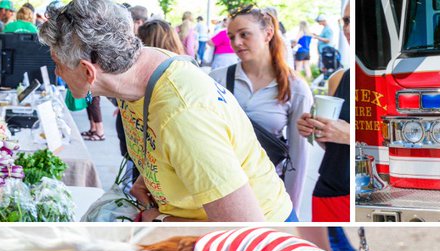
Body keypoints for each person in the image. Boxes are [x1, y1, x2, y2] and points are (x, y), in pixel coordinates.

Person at [40, 0, 294, 221]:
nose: (57, 73)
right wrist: (148, 180)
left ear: (88, 71)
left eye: (57, 63)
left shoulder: (183, 116)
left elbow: (245, 228)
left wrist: (160, 219)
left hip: (256, 240)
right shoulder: (139, 68)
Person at [211, 7, 312, 213]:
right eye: (231, 37)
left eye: (244, 34)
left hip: (267, 192)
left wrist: (290, 209)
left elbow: (298, 155)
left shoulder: (296, 88)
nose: (236, 43)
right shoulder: (215, 80)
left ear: (268, 34)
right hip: (219, 188)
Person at [297, 1, 351, 222]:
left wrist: (350, 135)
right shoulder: (337, 78)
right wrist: (313, 129)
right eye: (346, 21)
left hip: (363, 189)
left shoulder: (384, 76)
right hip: (330, 187)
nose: (348, 28)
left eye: (354, 21)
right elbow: (328, 144)